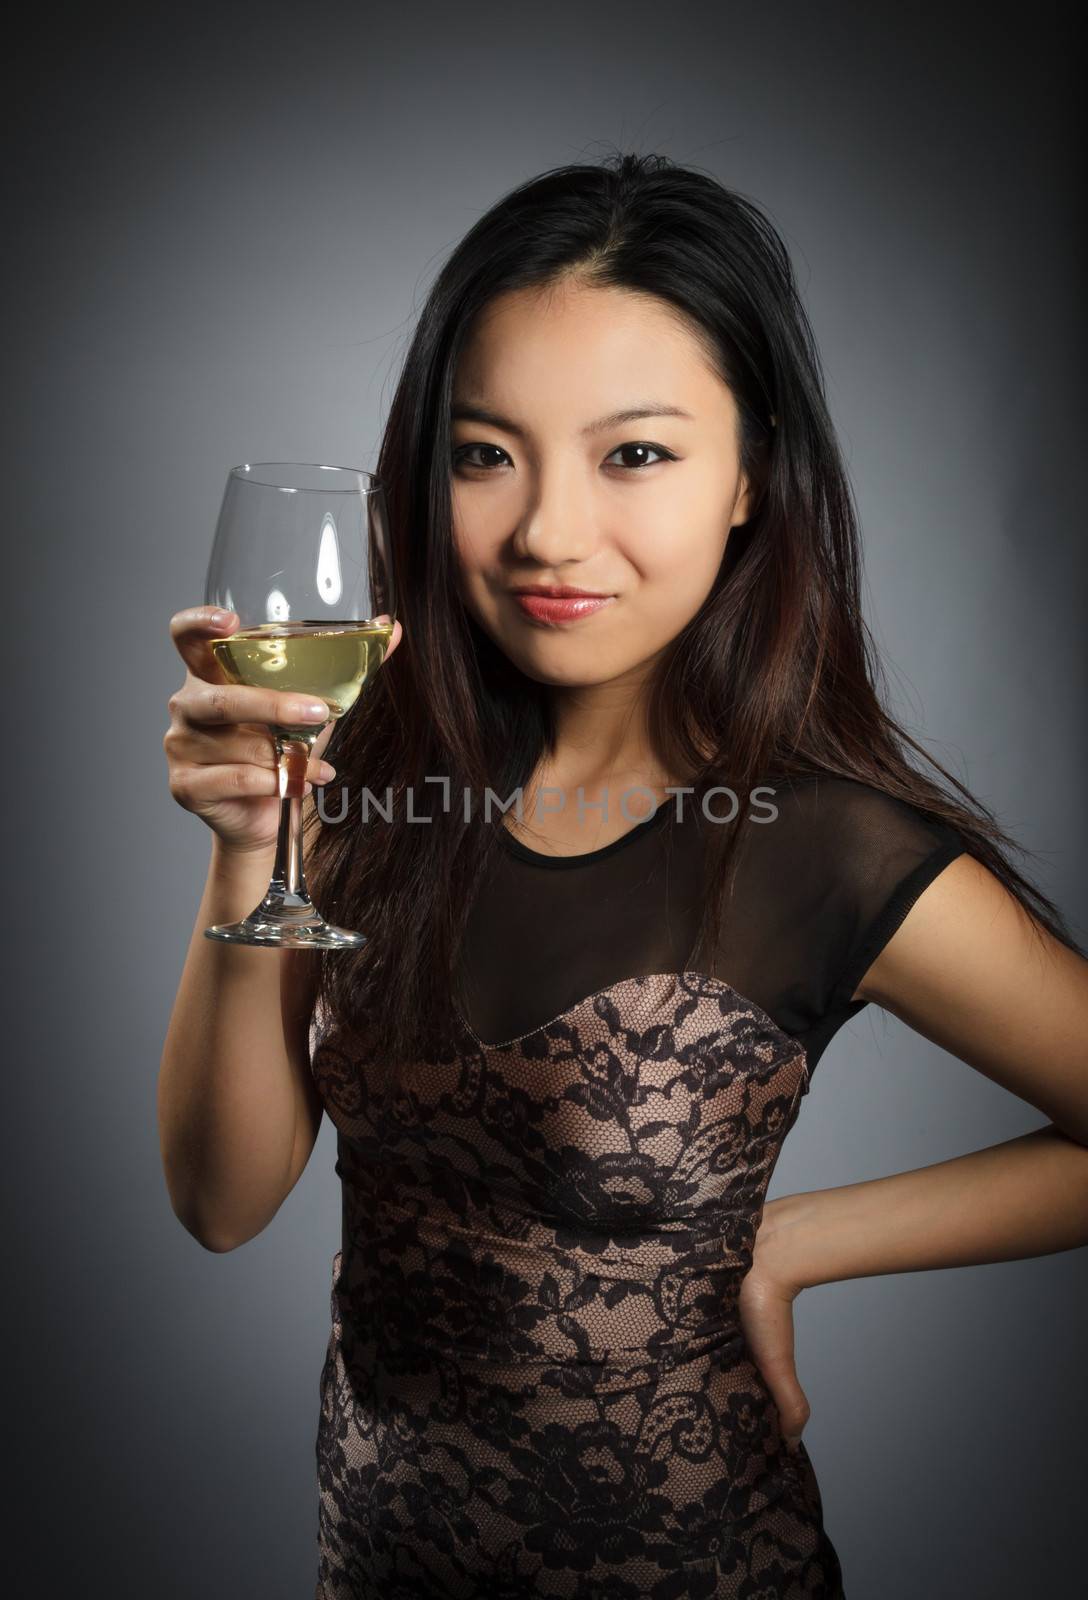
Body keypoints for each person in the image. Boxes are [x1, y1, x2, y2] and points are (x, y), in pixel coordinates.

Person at [159, 151, 1088, 1600]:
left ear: (748, 478)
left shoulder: (822, 847)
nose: (545, 532)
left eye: (634, 454)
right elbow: (222, 1205)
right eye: (485, 452)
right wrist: (243, 853)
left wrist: (795, 1240)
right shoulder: (373, 774)